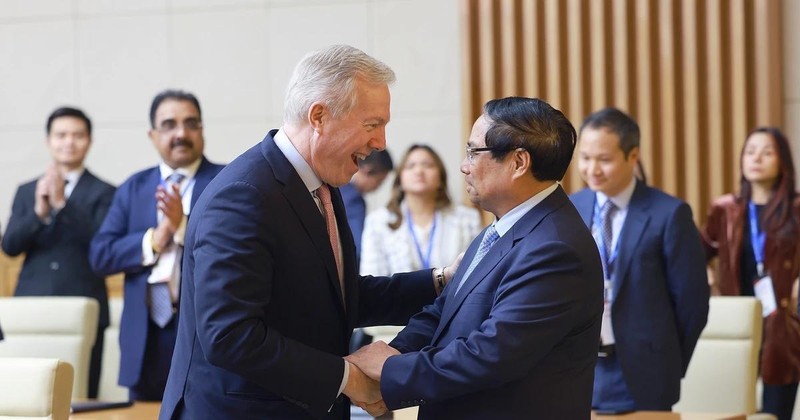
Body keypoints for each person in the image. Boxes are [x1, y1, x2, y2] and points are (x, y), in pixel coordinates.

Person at [159, 45, 450, 420]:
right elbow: (230, 336)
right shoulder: (244, 195)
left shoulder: (321, 185)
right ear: (319, 116)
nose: (381, 142)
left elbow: (334, 299)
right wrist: (347, 378)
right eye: (372, 124)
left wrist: (440, 282)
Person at [347, 96, 604, 419]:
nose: (464, 166)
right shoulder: (499, 229)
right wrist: (394, 353)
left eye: (473, 152)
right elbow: (442, 312)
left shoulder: (555, 249)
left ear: (518, 162)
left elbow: (491, 355)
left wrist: (391, 369)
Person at [570, 107, 709, 411]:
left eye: (604, 160)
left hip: (646, 371)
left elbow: (693, 304)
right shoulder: (570, 209)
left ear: (633, 157)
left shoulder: (669, 214)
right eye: (585, 157)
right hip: (581, 369)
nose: (592, 169)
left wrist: (668, 361)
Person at [89, 90, 224, 401]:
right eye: (169, 124)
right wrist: (156, 237)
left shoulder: (226, 182)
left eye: (191, 124)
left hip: (205, 333)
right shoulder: (133, 188)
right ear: (152, 135)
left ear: (201, 131)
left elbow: (237, 250)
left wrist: (181, 228)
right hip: (145, 334)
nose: (181, 134)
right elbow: (100, 255)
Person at [2, 107, 115, 398]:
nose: (69, 142)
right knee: (26, 394)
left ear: (89, 141)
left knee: (82, 395)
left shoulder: (105, 191)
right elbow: (10, 246)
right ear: (48, 141)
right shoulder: (28, 190)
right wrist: (39, 212)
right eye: (61, 135)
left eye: (78, 135)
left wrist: (64, 204)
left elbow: (103, 245)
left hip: (85, 305)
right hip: (31, 310)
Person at [701, 127, 800, 420]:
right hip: (737, 323)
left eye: (767, 152)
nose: (756, 158)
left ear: (782, 161)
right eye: (750, 151)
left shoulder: (796, 208)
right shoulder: (725, 208)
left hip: (783, 327)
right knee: (736, 409)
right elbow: (698, 251)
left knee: (774, 412)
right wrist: (707, 276)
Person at [360, 144, 482, 276]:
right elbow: (372, 278)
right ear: (400, 179)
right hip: (397, 297)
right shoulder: (378, 221)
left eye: (427, 165)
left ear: (440, 177)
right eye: (410, 166)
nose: (419, 171)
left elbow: (476, 273)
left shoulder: (467, 218)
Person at [340, 149, 394, 264]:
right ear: (368, 171)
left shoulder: (335, 188)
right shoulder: (355, 201)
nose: (377, 188)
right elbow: (360, 248)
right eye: (379, 182)